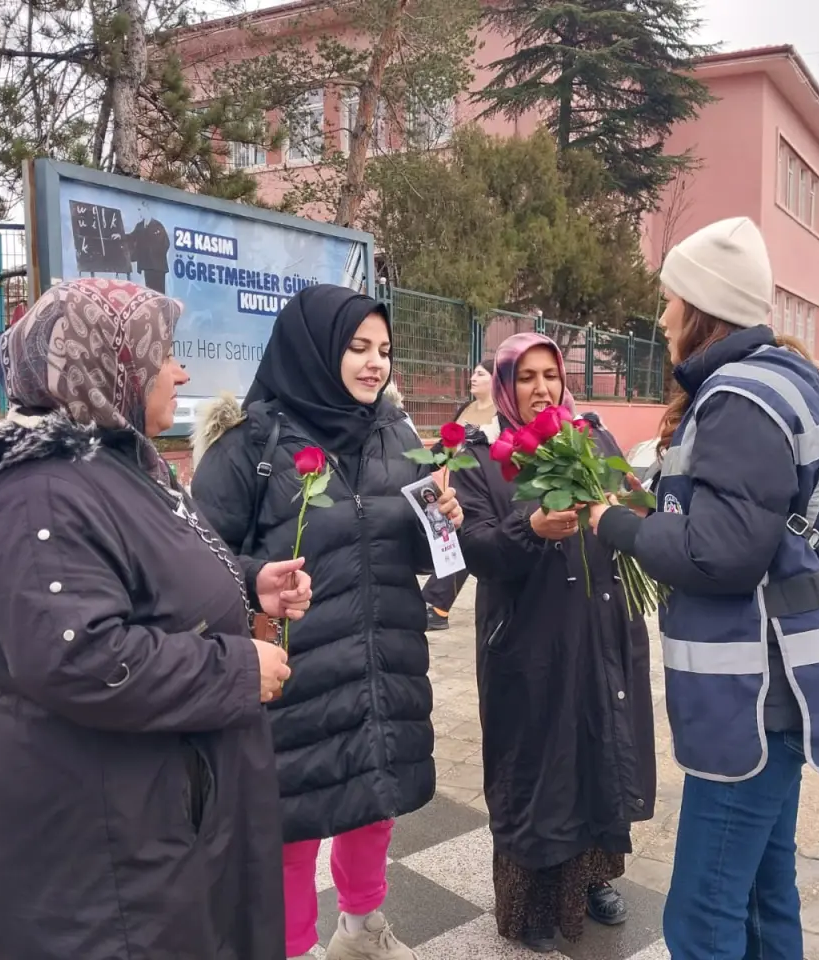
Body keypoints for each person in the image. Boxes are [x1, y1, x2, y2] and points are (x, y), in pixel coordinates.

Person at [0, 278, 308, 960]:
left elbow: (147, 569)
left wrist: (247, 584)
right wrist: (236, 669)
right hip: (105, 838)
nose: (181, 372)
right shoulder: (41, 493)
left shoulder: (112, 460)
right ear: (111, 368)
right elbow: (78, 656)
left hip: (151, 811)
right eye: (166, 356)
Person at [587, 218, 819, 960]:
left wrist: (616, 524)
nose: (663, 318)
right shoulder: (784, 381)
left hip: (753, 695)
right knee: (766, 896)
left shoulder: (738, 397)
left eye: (671, 300)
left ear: (703, 307)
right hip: (783, 683)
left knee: (704, 915)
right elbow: (744, 524)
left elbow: (723, 555)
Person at [190, 285, 463, 960]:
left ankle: (361, 928)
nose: (376, 364)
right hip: (295, 670)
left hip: (384, 659)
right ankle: (290, 947)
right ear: (313, 349)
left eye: (385, 351)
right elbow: (197, 561)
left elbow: (418, 550)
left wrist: (445, 523)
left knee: (374, 802)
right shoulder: (249, 444)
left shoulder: (396, 432)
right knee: (294, 820)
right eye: (358, 347)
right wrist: (258, 583)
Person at [452, 333, 655, 953]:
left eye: (550, 375)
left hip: (600, 626)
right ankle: (532, 902)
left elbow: (627, 504)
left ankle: (594, 877)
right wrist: (531, 528)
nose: (541, 388)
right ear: (504, 385)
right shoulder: (484, 457)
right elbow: (477, 550)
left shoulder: (590, 437)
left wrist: (632, 511)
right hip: (529, 640)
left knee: (597, 749)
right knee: (537, 765)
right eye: (526, 377)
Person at [424, 361, 495, 630]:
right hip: (458, 487)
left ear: (495, 380)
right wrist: (420, 466)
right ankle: (437, 606)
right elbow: (446, 447)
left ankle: (437, 606)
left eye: (481, 374)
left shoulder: (502, 413)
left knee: (465, 542)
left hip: (485, 489)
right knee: (458, 542)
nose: (473, 377)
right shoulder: (465, 410)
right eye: (473, 373)